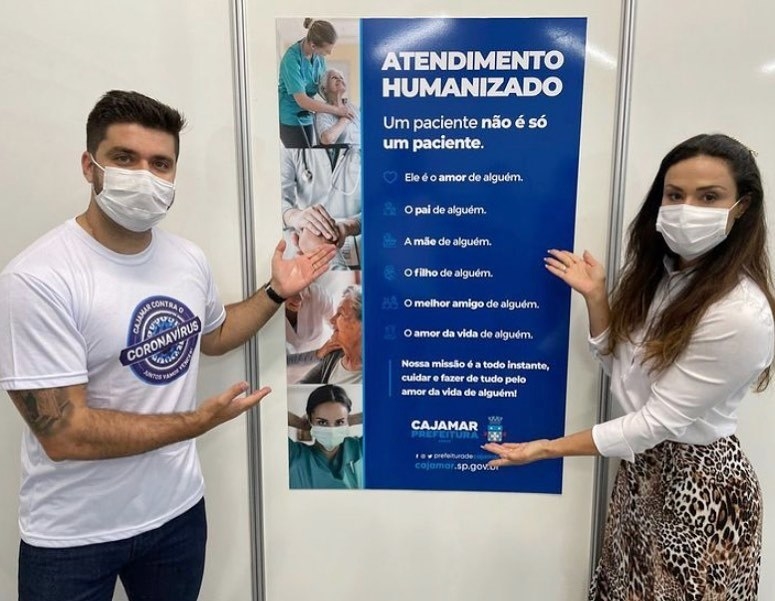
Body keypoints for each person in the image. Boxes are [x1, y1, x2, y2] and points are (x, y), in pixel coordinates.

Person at [0, 90, 336, 601]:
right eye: (124, 158)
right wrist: (195, 423)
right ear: (90, 166)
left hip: (176, 517)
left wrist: (275, 293)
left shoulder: (186, 259)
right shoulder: (40, 278)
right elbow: (64, 434)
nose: (145, 176)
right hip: (73, 536)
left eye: (160, 163)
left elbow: (213, 336)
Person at [484, 134, 774, 599]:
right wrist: (597, 297)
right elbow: (624, 372)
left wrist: (546, 448)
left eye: (709, 197)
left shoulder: (739, 313)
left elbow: (655, 422)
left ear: (741, 208)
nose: (687, 209)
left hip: (699, 487)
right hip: (642, 474)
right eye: (675, 194)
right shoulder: (664, 277)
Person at [277, 18, 355, 148]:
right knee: (303, 155)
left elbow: (322, 86)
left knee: (311, 153)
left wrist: (337, 101)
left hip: (307, 115)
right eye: (327, 50)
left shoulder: (318, 56)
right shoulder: (291, 60)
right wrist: (336, 109)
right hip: (291, 118)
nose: (329, 53)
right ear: (313, 46)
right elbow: (303, 101)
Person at [287, 384, 363, 489]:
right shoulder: (294, 454)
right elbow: (270, 414)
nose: (331, 430)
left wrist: (351, 419)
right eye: (322, 422)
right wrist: (301, 423)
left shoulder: (360, 449)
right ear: (310, 420)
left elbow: (385, 414)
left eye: (339, 422)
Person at [299, 285, 362, 384]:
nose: (332, 320)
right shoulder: (332, 356)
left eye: (340, 314)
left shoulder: (381, 372)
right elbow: (300, 387)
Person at [315, 67, 361, 146]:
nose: (339, 79)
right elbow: (326, 139)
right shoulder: (323, 113)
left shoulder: (352, 107)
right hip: (348, 152)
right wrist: (344, 120)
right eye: (334, 77)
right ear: (324, 89)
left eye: (341, 78)